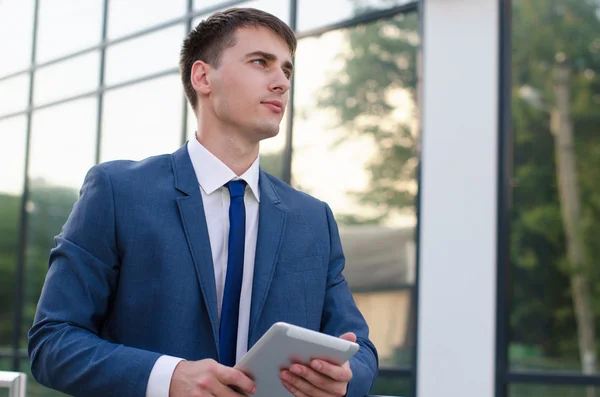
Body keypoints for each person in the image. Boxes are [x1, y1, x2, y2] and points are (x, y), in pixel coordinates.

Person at [28, 7, 378, 397]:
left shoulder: (313, 219)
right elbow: (52, 342)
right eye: (261, 63)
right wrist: (169, 376)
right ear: (202, 77)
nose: (281, 82)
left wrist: (345, 381)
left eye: (287, 70)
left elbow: (361, 352)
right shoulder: (117, 192)